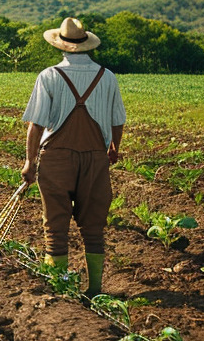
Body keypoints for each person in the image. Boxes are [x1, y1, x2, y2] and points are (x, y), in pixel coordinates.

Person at [19, 17, 126, 296]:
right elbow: (118, 121)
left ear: (60, 45)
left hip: (56, 159)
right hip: (95, 159)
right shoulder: (107, 76)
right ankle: (95, 290)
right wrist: (114, 147)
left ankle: (60, 289)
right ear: (86, 44)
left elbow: (36, 125)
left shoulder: (49, 76)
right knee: (94, 226)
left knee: (56, 226)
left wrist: (30, 162)